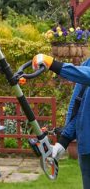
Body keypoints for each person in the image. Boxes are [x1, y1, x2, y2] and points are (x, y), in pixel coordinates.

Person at [32, 53, 90, 189]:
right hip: (87, 149)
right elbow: (78, 107)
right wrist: (63, 142)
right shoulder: (87, 63)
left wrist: (53, 64)